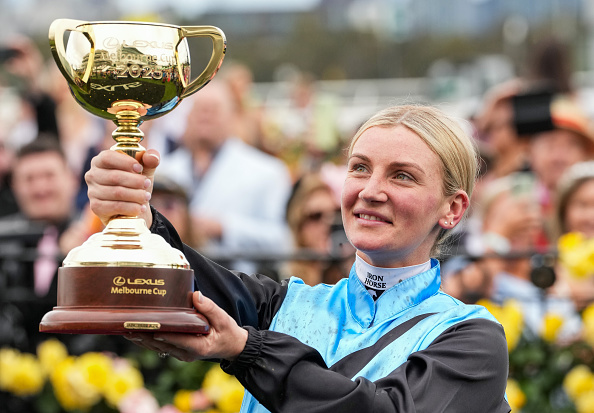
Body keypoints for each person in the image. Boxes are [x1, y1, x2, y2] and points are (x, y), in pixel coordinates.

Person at [86, 104, 511, 412]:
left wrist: (248, 351)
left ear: (452, 209)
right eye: (360, 168)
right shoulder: (285, 302)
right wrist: (136, 217)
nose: (370, 190)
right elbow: (182, 279)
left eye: (402, 175)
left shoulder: (472, 338)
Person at [157, 81, 293, 272]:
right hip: (172, 280)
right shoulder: (164, 170)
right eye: (199, 109)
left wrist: (223, 228)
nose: (206, 115)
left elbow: (283, 240)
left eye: (214, 109)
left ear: (232, 117)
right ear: (188, 117)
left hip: (236, 286)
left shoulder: (268, 171)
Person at [284, 172, 353, 286]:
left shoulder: (349, 275)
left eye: (336, 213)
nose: (328, 223)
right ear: (299, 223)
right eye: (316, 215)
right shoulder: (280, 276)